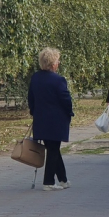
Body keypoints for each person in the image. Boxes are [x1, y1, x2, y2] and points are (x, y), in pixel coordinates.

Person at [28, 47, 74, 191]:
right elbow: (66, 99)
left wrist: (34, 112)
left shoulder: (35, 77)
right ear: (53, 64)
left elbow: (31, 98)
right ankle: (48, 182)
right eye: (57, 61)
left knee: (54, 149)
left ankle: (63, 179)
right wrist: (69, 113)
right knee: (53, 150)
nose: (58, 63)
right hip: (56, 120)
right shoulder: (58, 80)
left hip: (41, 119)